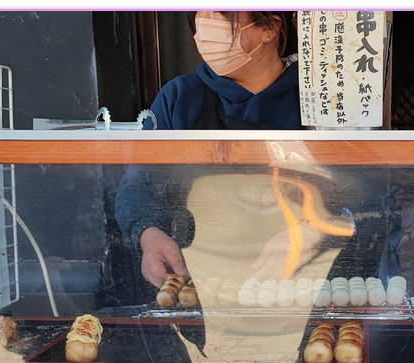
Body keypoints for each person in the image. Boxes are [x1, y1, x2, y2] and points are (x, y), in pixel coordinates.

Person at [114, 11, 303, 290]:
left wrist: (309, 234)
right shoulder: (178, 98)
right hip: (198, 282)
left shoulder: (317, 99)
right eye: (201, 21)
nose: (205, 32)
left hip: (300, 282)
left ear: (270, 28)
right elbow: (139, 184)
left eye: (222, 19)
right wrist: (149, 234)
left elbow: (356, 191)